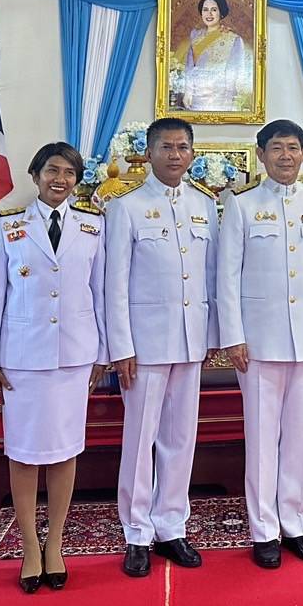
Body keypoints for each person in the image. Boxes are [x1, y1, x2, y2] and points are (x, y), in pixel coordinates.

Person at [0, 142, 109, 592]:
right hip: (23, 358)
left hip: (74, 356)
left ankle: (55, 542)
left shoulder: (93, 226)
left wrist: (103, 352)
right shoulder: (7, 225)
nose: (61, 179)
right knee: (24, 453)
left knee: (65, 449)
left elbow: (101, 293)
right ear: (35, 175)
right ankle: (29, 546)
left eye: (69, 173)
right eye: (52, 170)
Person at [216, 119, 303, 569]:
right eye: (276, 148)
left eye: (293, 148)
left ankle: (298, 523)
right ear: (261, 153)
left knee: (298, 438)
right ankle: (264, 529)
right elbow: (226, 275)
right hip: (258, 342)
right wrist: (232, 335)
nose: (285, 156)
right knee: (262, 437)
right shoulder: (242, 205)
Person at [104, 116, 221, 577]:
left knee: (180, 437)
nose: (176, 155)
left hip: (190, 340)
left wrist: (210, 336)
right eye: (167, 147)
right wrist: (122, 347)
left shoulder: (204, 205)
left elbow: (209, 276)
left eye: (183, 147)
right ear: (149, 153)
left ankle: (172, 525)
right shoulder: (127, 206)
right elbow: (114, 284)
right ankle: (135, 531)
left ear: (193, 153)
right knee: (139, 440)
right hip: (145, 344)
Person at [174, 0, 250, 111]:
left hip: (221, 98)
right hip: (196, 97)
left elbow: (236, 72)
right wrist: (188, 92)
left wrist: (229, 99)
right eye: (205, 10)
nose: (209, 14)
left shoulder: (233, 39)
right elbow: (189, 67)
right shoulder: (195, 36)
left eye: (214, 10)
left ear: (221, 13)